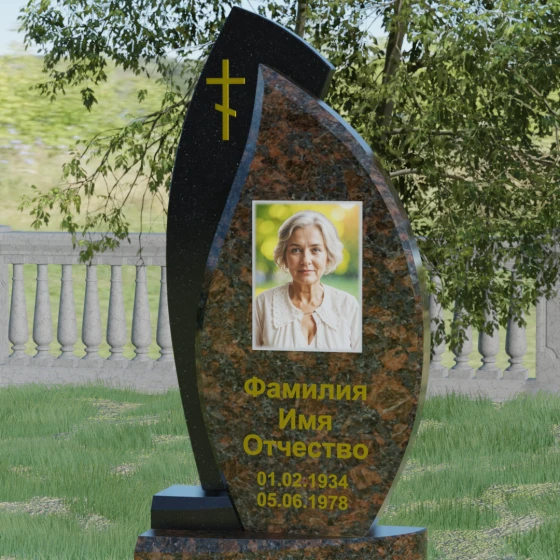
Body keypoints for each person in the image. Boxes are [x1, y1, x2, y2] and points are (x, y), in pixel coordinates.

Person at [254, 210, 361, 351]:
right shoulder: (263, 304)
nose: (305, 260)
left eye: (315, 249)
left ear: (328, 256)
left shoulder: (348, 305)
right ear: (285, 257)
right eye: (296, 250)